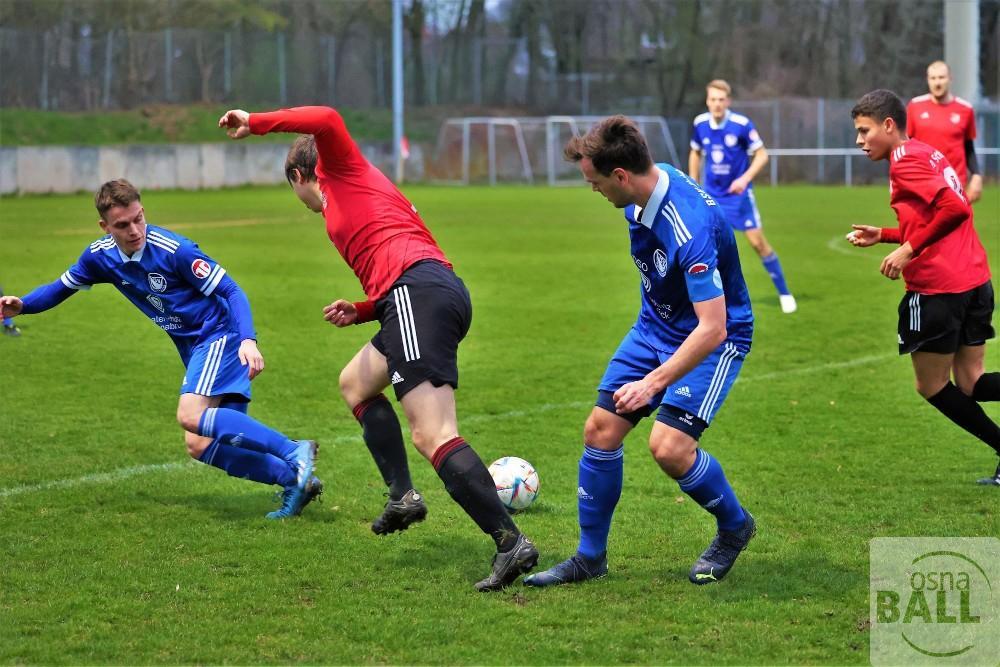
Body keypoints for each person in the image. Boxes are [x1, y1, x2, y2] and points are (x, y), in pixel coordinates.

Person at [218, 105, 538, 591]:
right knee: (355, 383)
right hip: (414, 296)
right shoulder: (352, 201)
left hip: (419, 294)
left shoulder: (340, 170)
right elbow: (393, 253)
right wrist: (365, 310)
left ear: (300, 176)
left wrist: (256, 122)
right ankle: (402, 496)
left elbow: (324, 117)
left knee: (433, 434)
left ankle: (510, 542)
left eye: (295, 188)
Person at [524, 116, 756, 588]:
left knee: (669, 448)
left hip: (713, 337)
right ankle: (590, 558)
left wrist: (653, 382)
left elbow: (714, 328)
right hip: (655, 326)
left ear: (621, 176)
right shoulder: (644, 188)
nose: (593, 191)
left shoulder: (688, 227)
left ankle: (735, 526)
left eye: (594, 183)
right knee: (600, 429)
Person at [0, 179, 323, 516]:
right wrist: (23, 305)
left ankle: (293, 450)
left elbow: (231, 290)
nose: (134, 230)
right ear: (104, 226)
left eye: (138, 218)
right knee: (199, 444)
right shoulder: (100, 257)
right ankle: (296, 481)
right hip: (195, 347)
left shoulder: (174, 250)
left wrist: (247, 340)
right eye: (122, 225)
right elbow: (60, 287)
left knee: (189, 415)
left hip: (219, 337)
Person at [848, 89, 999, 486]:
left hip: (940, 289)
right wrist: (884, 235)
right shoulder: (924, 151)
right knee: (973, 384)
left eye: (864, 132)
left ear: (888, 125)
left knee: (931, 385)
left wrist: (907, 251)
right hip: (974, 279)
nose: (859, 141)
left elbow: (956, 207)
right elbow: (936, 217)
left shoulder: (904, 162)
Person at [688, 79, 797, 314]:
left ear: (727, 101)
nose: (717, 104)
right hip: (712, 197)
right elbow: (695, 152)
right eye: (712, 99)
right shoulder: (700, 124)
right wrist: (693, 182)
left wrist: (744, 179)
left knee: (758, 243)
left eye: (721, 100)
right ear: (707, 101)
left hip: (739, 198)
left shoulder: (741, 124)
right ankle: (709, 301)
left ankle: (785, 293)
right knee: (706, 248)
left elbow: (761, 155)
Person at [906, 61, 983, 204]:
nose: (937, 83)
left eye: (941, 77)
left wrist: (976, 175)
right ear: (927, 80)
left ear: (950, 78)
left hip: (954, 186)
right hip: (922, 185)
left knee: (958, 226)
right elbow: (905, 146)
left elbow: (968, 147)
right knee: (921, 227)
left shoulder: (965, 109)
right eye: (933, 78)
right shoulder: (914, 106)